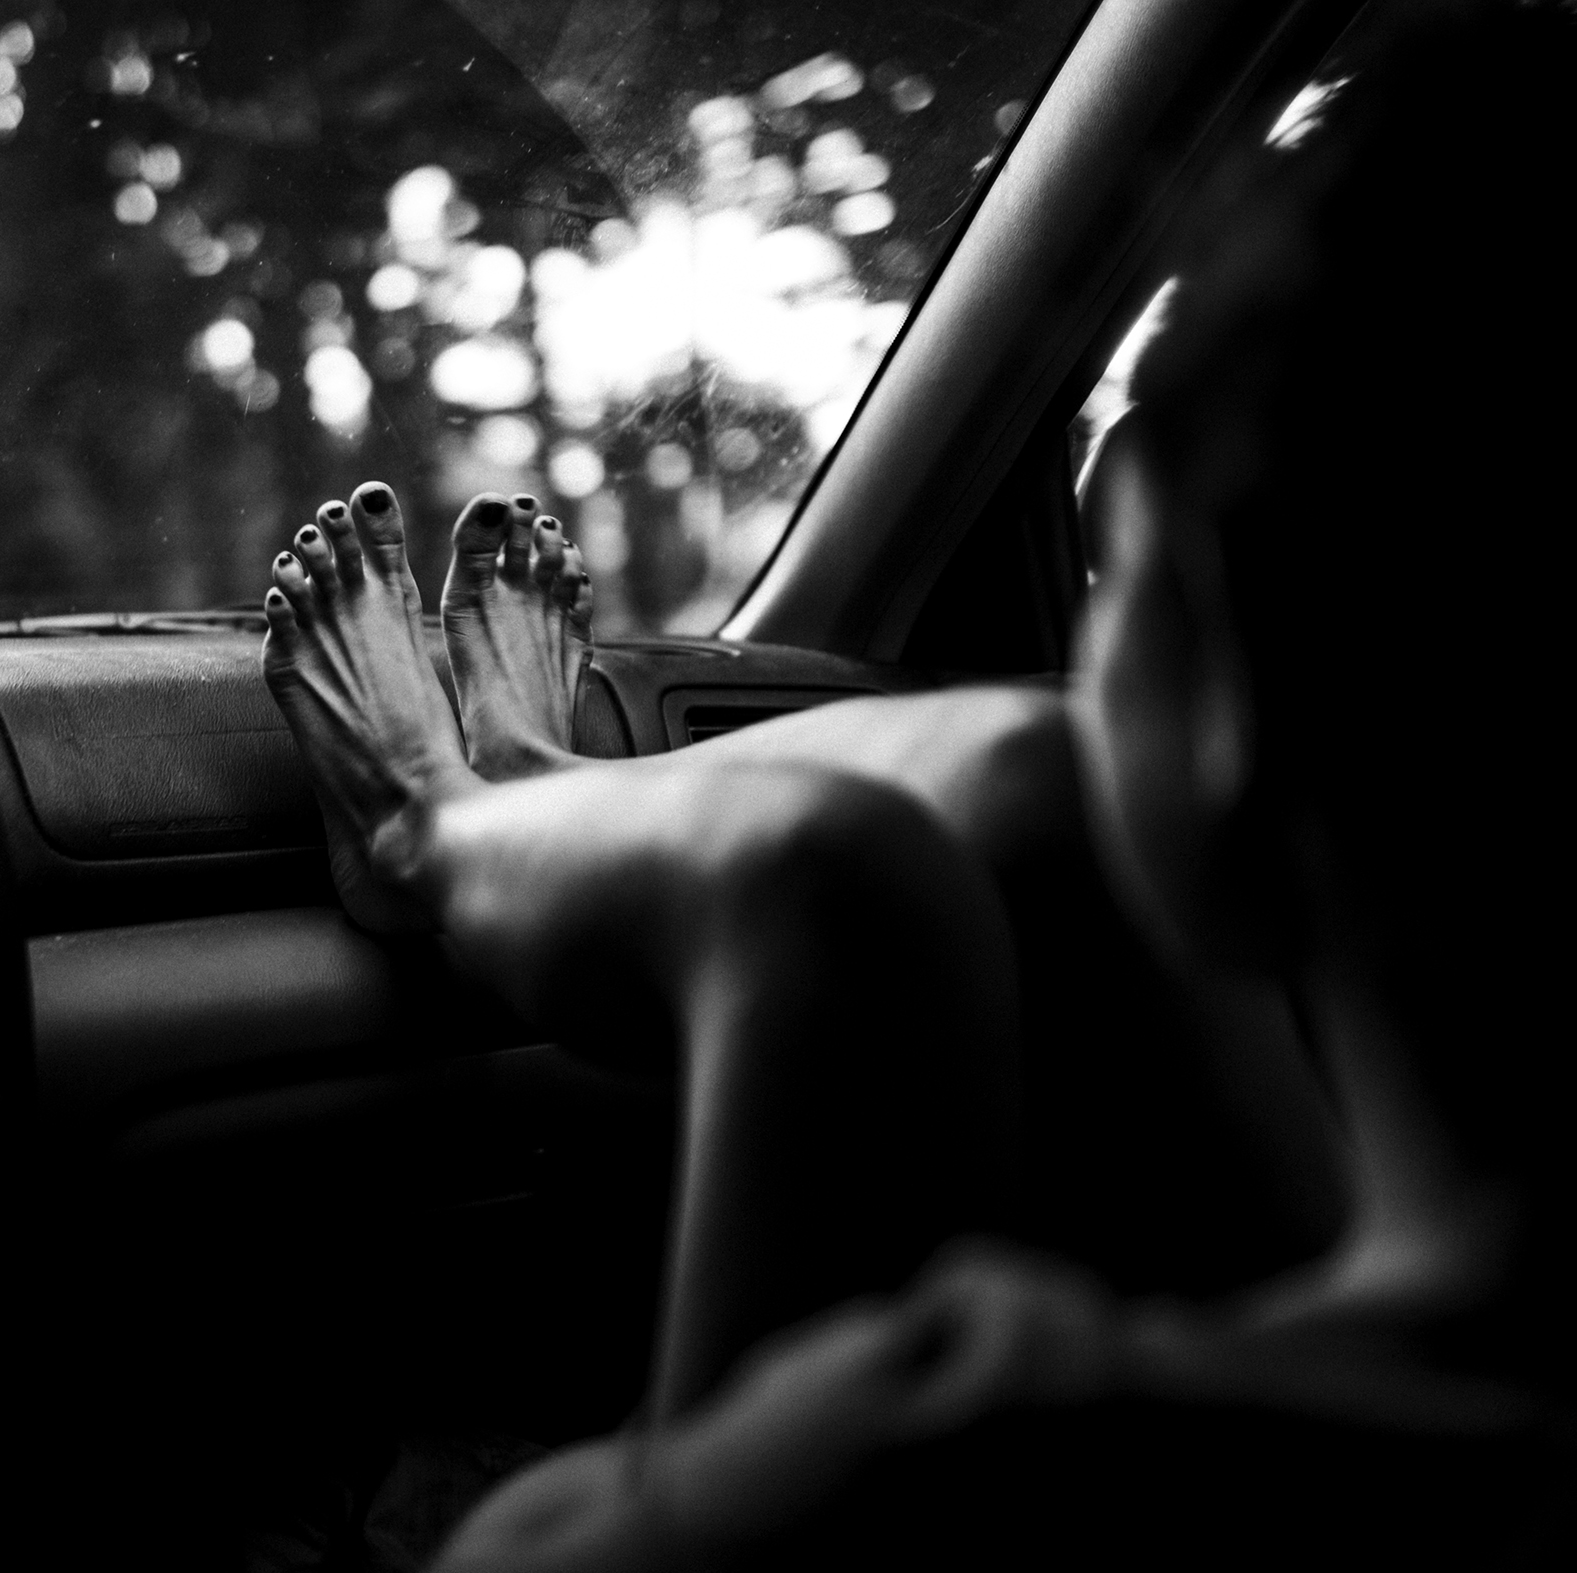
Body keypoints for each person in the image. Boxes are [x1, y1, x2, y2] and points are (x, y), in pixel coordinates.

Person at [256, 2, 1573, 1562]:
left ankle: (440, 821)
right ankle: (516, 783)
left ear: (1224, 706)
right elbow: (1041, 768)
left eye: (1127, 519)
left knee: (834, 876)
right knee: (1023, 794)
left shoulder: (947, 1456)